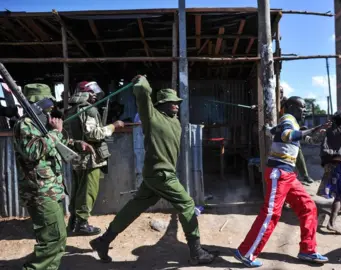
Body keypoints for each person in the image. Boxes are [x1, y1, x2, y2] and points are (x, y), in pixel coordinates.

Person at [89, 75, 218, 265]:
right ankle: (196, 252)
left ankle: (103, 241)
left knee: (134, 207)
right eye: (171, 102)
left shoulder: (175, 121)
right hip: (160, 174)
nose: (176, 105)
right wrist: (142, 81)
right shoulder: (152, 117)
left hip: (158, 174)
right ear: (161, 104)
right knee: (188, 204)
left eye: (177, 102)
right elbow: (142, 94)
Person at [233, 96, 331, 267]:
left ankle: (308, 250)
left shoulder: (290, 122)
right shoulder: (288, 119)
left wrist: (315, 134)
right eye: (302, 107)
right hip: (279, 173)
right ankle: (245, 252)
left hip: (287, 174)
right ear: (292, 107)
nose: (305, 110)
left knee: (308, 207)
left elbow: (280, 133)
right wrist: (314, 128)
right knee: (271, 213)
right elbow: (287, 135)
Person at [13, 83, 94, 270]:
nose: (51, 107)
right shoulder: (24, 124)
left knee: (59, 238)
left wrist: (76, 142)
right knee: (52, 240)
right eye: (47, 101)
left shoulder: (40, 122)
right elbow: (32, 151)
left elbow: (57, 142)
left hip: (52, 189)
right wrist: (56, 133)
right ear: (37, 102)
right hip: (39, 192)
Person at [64, 81, 124, 236]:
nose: (95, 95)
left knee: (78, 190)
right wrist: (113, 126)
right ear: (85, 92)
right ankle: (82, 224)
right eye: (92, 92)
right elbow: (93, 134)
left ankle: (73, 222)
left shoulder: (71, 110)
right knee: (88, 191)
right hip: (90, 157)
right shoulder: (88, 110)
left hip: (77, 156)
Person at [279, 86, 313, 185]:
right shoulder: (273, 103)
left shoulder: (286, 102)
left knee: (297, 148)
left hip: (288, 133)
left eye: (282, 92)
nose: (280, 94)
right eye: (278, 92)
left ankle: (304, 175)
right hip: (279, 135)